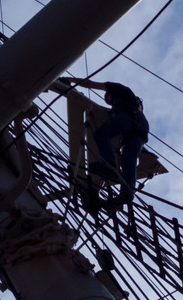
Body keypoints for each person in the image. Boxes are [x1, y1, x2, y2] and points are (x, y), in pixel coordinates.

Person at [63, 76, 149, 206]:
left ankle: (110, 165)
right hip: (140, 131)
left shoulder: (119, 90)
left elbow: (88, 83)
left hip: (128, 121)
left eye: (107, 99)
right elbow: (105, 110)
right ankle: (127, 192)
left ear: (110, 94)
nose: (109, 103)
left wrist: (69, 80)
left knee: (101, 135)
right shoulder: (131, 105)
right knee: (128, 160)